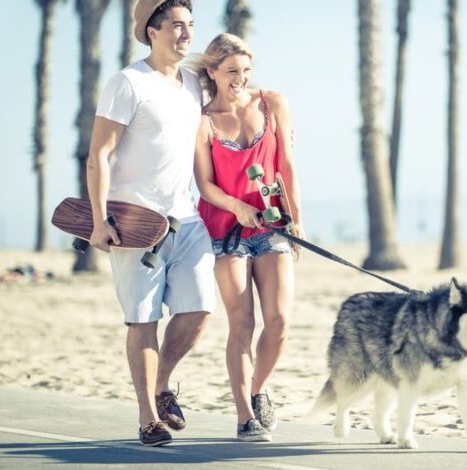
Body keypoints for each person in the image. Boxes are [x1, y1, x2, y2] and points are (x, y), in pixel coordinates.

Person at [86, 0, 215, 447]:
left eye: (190, 26)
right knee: (142, 320)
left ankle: (160, 384)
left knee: (198, 310)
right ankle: (148, 418)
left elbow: (237, 95)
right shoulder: (127, 82)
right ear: (152, 31)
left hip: (188, 218)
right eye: (177, 26)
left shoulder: (194, 85)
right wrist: (100, 218)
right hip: (136, 221)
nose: (186, 34)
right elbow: (99, 154)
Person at [192, 33, 304, 442]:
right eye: (232, 71)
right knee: (242, 323)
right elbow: (204, 184)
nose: (241, 78)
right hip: (226, 233)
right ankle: (244, 416)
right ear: (213, 72)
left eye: (246, 70)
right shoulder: (202, 120)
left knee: (279, 321)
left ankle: (258, 390)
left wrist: (296, 220)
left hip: (272, 225)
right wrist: (237, 207)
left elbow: (287, 164)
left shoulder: (272, 103)